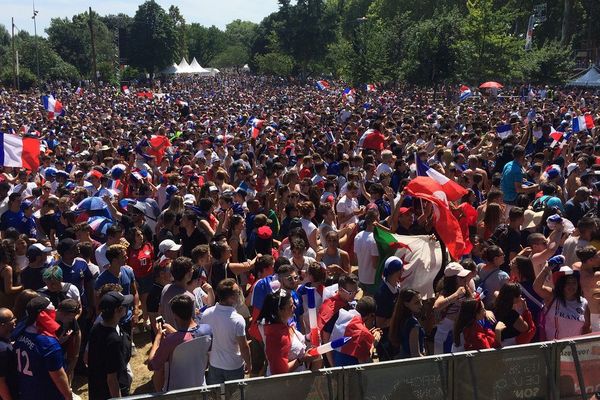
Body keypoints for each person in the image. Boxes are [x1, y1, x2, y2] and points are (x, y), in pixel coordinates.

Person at [12, 296, 73, 400]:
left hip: (26, 391)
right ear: (45, 315)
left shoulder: (21, 332)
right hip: (46, 394)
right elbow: (58, 377)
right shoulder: (49, 344)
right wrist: (68, 396)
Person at [148, 294, 212, 391]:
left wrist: (158, 338)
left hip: (176, 390)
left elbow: (152, 365)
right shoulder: (207, 330)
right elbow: (190, 338)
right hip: (200, 385)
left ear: (174, 315)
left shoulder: (169, 341)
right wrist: (175, 333)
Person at [258, 289, 321, 376]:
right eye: (291, 306)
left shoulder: (284, 325)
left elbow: (296, 341)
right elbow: (279, 372)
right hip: (287, 386)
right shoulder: (276, 337)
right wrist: (301, 360)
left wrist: (308, 337)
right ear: (280, 311)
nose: (295, 307)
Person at [200, 279, 251, 383]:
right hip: (234, 367)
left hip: (214, 365)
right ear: (232, 298)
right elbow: (244, 347)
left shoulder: (206, 314)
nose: (240, 294)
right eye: (238, 292)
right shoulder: (238, 320)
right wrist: (249, 364)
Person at [87, 291, 133, 399]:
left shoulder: (96, 328)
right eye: (124, 306)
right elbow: (112, 378)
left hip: (97, 389)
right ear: (119, 310)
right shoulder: (113, 340)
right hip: (108, 393)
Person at [533, 264, 591, 340]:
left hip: (574, 349)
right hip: (552, 348)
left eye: (574, 283)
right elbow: (536, 287)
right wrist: (546, 269)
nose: (571, 286)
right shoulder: (552, 297)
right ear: (561, 284)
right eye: (568, 283)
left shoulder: (584, 303)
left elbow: (586, 327)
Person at [432, 262, 472, 354]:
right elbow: (436, 306)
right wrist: (456, 295)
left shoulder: (466, 290)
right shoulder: (445, 292)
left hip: (459, 333)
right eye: (461, 277)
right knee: (444, 365)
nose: (465, 279)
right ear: (453, 279)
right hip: (444, 335)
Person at [330, 296, 379, 367]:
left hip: (336, 369)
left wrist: (368, 337)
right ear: (371, 315)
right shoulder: (364, 333)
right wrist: (373, 343)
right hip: (351, 374)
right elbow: (365, 364)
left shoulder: (342, 318)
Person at [158, 257, 195, 327]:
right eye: (191, 269)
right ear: (187, 275)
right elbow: (192, 324)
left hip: (169, 334)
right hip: (182, 337)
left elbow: (161, 311)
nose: (193, 271)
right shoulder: (190, 298)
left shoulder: (165, 289)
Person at [388, 288, 424, 359]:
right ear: (406, 304)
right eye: (416, 303)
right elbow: (415, 354)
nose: (421, 305)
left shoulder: (400, 319)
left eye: (421, 301)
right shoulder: (413, 324)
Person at [353, 209, 379, 294]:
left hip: (362, 278)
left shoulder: (357, 236)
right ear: (376, 220)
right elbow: (375, 264)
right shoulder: (374, 239)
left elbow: (356, 259)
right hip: (372, 280)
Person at [0, 307, 17, 400]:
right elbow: (1, 382)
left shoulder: (5, 339)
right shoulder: (2, 351)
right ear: (2, 325)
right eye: (11, 319)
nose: (15, 319)